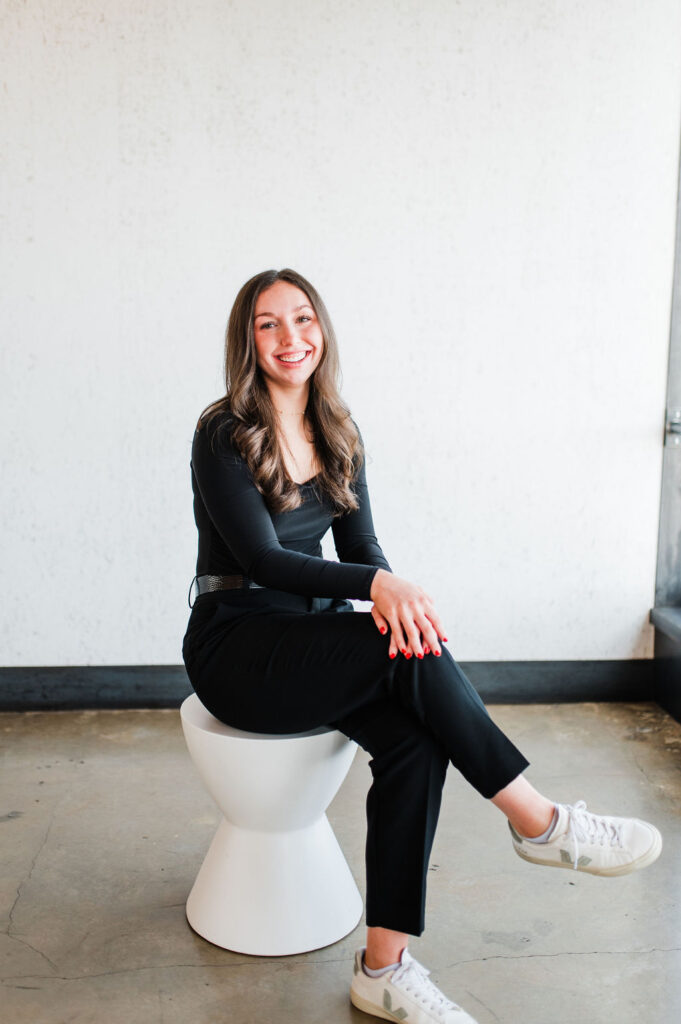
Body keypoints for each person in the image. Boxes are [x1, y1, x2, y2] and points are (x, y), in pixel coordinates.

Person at [182, 268, 662, 1024]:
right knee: (395, 636)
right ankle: (538, 821)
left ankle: (384, 966)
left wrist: (392, 592)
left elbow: (362, 542)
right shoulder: (223, 432)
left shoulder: (337, 430)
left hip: (310, 641)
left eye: (301, 319)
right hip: (237, 648)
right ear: (247, 340)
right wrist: (379, 591)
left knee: (414, 739)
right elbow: (261, 559)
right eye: (267, 324)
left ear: (322, 331)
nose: (288, 338)